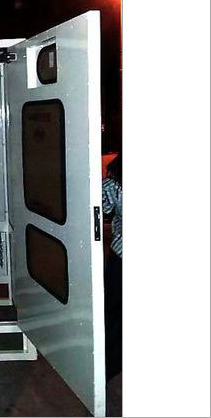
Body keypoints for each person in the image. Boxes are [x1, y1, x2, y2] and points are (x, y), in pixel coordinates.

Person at [102, 152, 122, 381]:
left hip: (121, 255)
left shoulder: (113, 184)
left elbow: (100, 210)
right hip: (121, 254)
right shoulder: (113, 184)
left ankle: (110, 364)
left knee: (113, 310)